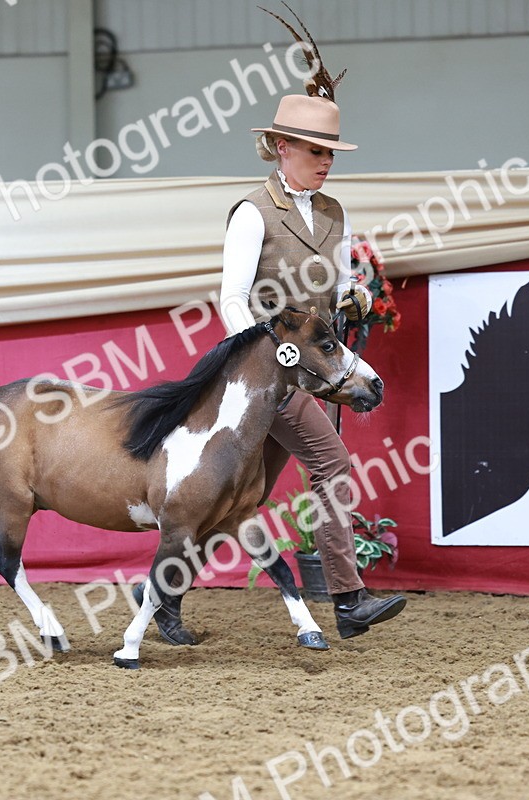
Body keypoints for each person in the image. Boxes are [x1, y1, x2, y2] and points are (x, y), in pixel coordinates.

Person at [150, 90, 408, 650]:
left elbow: (342, 283)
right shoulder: (252, 212)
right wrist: (266, 358)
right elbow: (232, 298)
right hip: (267, 376)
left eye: (331, 152)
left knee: (240, 498)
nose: (326, 161)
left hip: (313, 370)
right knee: (332, 464)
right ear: (282, 147)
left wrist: (358, 296)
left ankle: (162, 598)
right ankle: (348, 598)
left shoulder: (335, 212)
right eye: (316, 150)